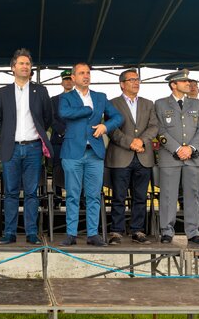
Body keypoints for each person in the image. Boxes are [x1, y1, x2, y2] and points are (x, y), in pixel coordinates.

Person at [59, 62, 123, 247]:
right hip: (72, 152)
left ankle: (93, 234)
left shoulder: (100, 97)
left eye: (88, 73)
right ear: (73, 77)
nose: (86, 76)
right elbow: (64, 113)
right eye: (81, 73)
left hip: (94, 153)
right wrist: (87, 109)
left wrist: (105, 126)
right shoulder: (66, 97)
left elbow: (118, 117)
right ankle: (71, 234)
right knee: (72, 195)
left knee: (94, 196)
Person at [0, 48, 53, 245]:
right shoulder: (3, 92)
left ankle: (31, 233)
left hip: (33, 148)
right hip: (11, 148)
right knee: (10, 191)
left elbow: (47, 117)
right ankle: (9, 233)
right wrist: (9, 135)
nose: (25, 66)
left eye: (28, 63)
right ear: (13, 67)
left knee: (31, 192)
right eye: (21, 63)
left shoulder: (40, 91)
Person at [154, 69, 199, 244]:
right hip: (170, 157)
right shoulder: (160, 104)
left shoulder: (196, 104)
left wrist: (190, 148)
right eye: (184, 82)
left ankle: (193, 232)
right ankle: (167, 231)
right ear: (173, 85)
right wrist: (177, 149)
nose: (188, 84)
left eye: (188, 81)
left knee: (192, 195)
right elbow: (159, 130)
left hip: (192, 157)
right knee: (168, 195)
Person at [106, 69, 158, 244]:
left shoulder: (148, 103)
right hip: (120, 156)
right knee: (118, 197)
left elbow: (154, 127)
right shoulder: (112, 104)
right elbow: (112, 129)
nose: (136, 82)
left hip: (143, 156)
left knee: (140, 197)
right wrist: (131, 143)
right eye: (132, 80)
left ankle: (138, 231)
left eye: (137, 79)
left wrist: (141, 141)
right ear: (122, 84)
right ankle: (116, 231)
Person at [50, 69, 74, 206]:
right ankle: (56, 199)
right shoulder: (54, 100)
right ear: (62, 82)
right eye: (66, 80)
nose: (68, 82)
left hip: (76, 141)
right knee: (57, 170)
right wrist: (63, 131)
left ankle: (79, 199)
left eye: (70, 79)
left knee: (77, 170)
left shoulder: (81, 99)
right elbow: (51, 119)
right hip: (58, 141)